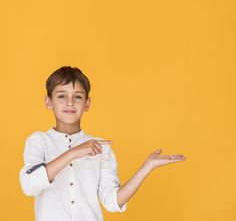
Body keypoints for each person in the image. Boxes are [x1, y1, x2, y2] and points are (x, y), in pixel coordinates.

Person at [19, 66, 186, 221]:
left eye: (77, 96)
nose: (70, 102)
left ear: (87, 103)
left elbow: (112, 201)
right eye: (61, 96)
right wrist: (73, 153)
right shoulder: (38, 141)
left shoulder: (101, 148)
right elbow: (29, 185)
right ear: (49, 102)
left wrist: (146, 168)